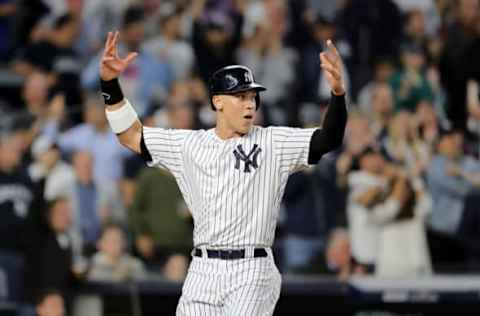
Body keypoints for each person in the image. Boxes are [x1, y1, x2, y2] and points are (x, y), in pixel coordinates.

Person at [99, 31, 347, 315]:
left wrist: (338, 94)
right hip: (203, 268)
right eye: (241, 97)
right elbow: (131, 135)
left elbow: (329, 138)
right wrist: (109, 84)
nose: (250, 104)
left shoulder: (272, 142)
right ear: (217, 102)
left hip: (252, 268)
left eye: (252, 97)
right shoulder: (189, 145)